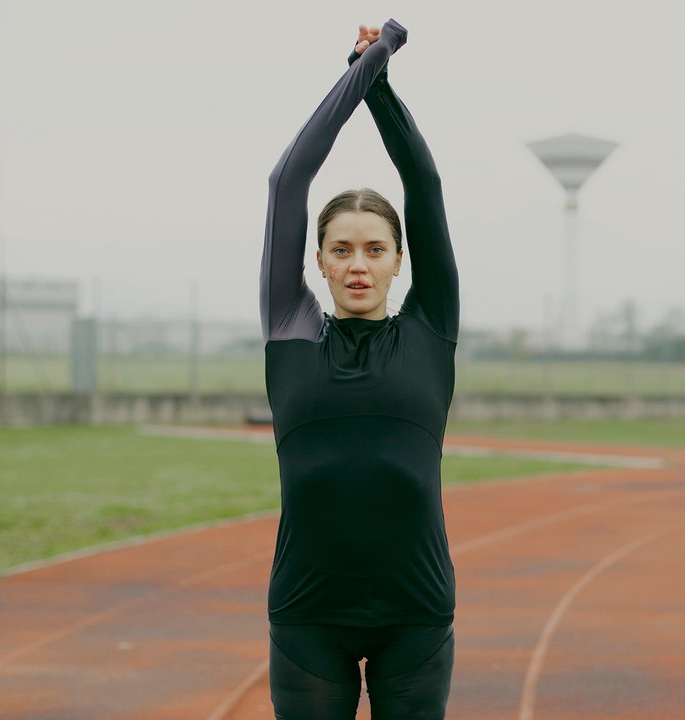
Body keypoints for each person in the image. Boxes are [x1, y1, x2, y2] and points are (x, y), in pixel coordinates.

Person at [259, 18, 459, 720]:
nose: (357, 265)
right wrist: (361, 68)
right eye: (340, 249)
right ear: (318, 260)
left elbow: (422, 181)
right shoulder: (289, 333)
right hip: (309, 614)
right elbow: (289, 179)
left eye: (375, 249)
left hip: (415, 612)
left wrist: (380, 82)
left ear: (399, 259)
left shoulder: (431, 331)